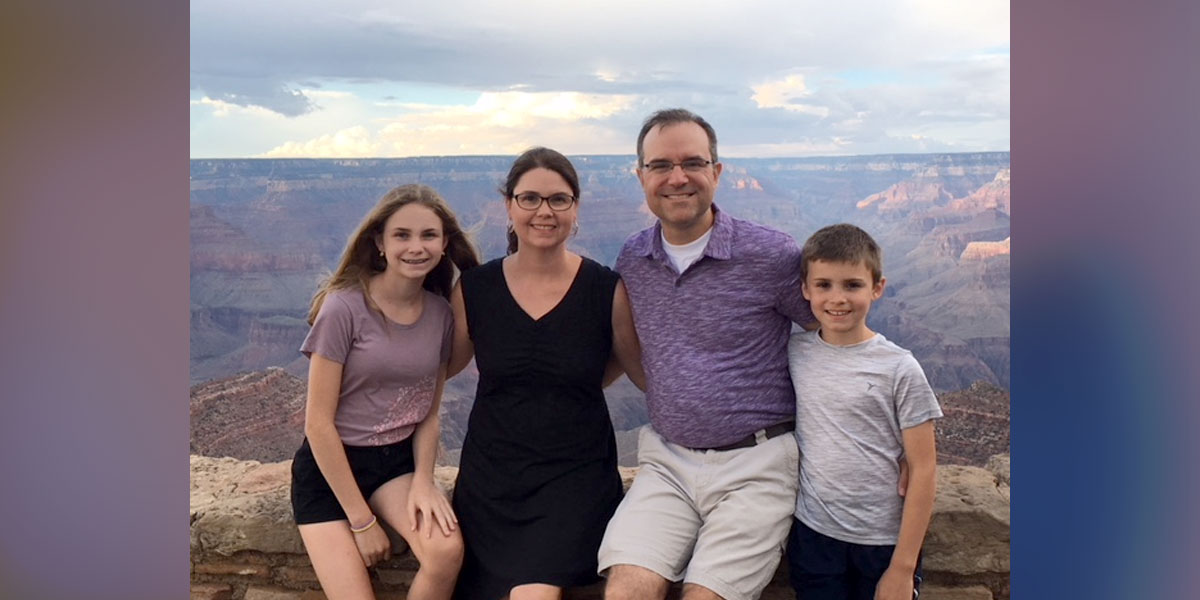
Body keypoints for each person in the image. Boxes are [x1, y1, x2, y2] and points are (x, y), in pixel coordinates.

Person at [597, 108, 818, 600]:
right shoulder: (634, 257)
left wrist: (889, 439)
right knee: (626, 590)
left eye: (693, 163)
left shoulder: (771, 254)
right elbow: (623, 344)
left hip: (756, 466)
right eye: (660, 166)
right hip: (666, 463)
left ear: (717, 173)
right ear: (641, 177)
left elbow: (833, 342)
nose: (677, 178)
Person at [447, 147, 644, 600]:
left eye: (559, 199)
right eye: (530, 198)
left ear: (575, 209)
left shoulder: (604, 289)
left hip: (575, 483)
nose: (544, 211)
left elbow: (640, 372)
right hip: (491, 485)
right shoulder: (475, 290)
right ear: (509, 206)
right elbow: (433, 370)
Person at [290, 184, 480, 600]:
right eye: (402, 235)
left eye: (429, 235)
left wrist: (425, 482)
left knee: (446, 552)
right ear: (379, 242)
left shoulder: (440, 315)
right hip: (330, 471)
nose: (416, 247)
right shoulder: (343, 307)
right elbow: (318, 424)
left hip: (395, 465)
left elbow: (427, 413)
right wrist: (362, 521)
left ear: (445, 243)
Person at [785, 224, 941, 600]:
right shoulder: (792, 352)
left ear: (877, 287)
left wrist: (903, 567)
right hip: (814, 534)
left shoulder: (900, 368)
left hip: (883, 540)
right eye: (823, 285)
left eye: (852, 285)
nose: (837, 298)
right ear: (805, 289)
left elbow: (924, 467)